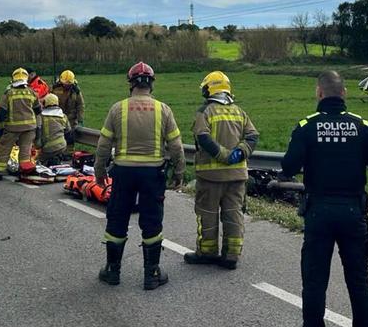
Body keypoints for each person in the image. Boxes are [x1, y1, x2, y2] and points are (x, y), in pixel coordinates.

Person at [282, 71, 368, 327]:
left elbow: (288, 166)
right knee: (358, 283)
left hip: (319, 214)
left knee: (315, 284)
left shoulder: (306, 127)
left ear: (319, 93)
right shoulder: (361, 126)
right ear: (343, 93)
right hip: (352, 214)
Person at [94, 61, 186, 290]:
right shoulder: (163, 109)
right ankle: (152, 274)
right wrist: (179, 172)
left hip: (123, 172)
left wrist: (99, 173)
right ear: (151, 84)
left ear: (131, 84)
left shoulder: (118, 109)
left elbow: (103, 145)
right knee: (152, 221)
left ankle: (112, 271)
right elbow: (176, 146)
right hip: (152, 174)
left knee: (117, 219)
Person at [185, 71, 259, 270]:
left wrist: (222, 155)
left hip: (210, 176)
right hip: (237, 176)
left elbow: (202, 137)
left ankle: (207, 252)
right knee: (234, 213)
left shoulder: (205, 112)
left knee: (207, 213)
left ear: (209, 89)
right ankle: (231, 255)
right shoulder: (239, 112)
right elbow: (252, 136)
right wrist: (239, 154)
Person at [0, 67, 42, 180]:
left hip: (12, 128)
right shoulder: (31, 92)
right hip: (29, 128)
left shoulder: (9, 93)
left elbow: (1, 113)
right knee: (25, 151)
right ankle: (23, 171)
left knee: (5, 149)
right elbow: (38, 110)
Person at [36, 93, 73, 166]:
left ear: (45, 103)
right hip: (62, 146)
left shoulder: (41, 116)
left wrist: (38, 145)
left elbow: (38, 131)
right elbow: (68, 131)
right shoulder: (63, 115)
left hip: (48, 148)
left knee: (38, 161)